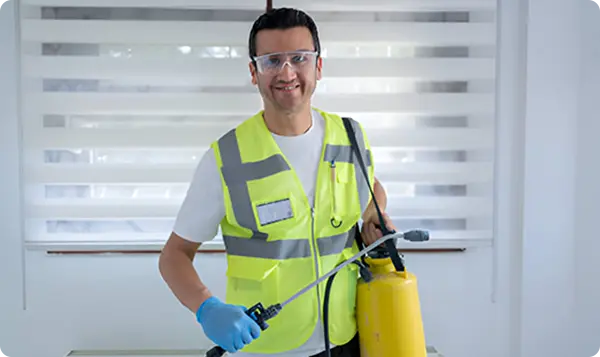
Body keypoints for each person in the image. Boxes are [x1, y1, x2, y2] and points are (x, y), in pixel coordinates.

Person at [159, 7, 396, 357]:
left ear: (318, 66)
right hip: (267, 348)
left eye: (299, 58)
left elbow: (370, 189)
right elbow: (174, 255)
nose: (286, 72)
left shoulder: (350, 136)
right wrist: (207, 308)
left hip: (348, 335)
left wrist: (375, 217)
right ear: (254, 72)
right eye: (272, 61)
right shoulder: (226, 158)